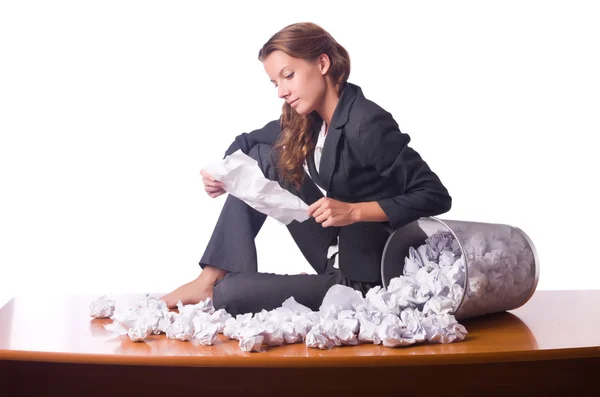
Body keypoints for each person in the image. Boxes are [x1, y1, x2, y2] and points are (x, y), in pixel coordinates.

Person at [160, 22, 452, 315]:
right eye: (276, 83)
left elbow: (434, 195)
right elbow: (248, 142)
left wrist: (354, 211)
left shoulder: (367, 123)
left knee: (232, 294)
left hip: (364, 280)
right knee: (264, 160)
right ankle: (209, 277)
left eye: (288, 76)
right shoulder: (309, 118)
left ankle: (247, 287)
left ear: (322, 63)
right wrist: (223, 174)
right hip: (333, 246)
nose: (282, 92)